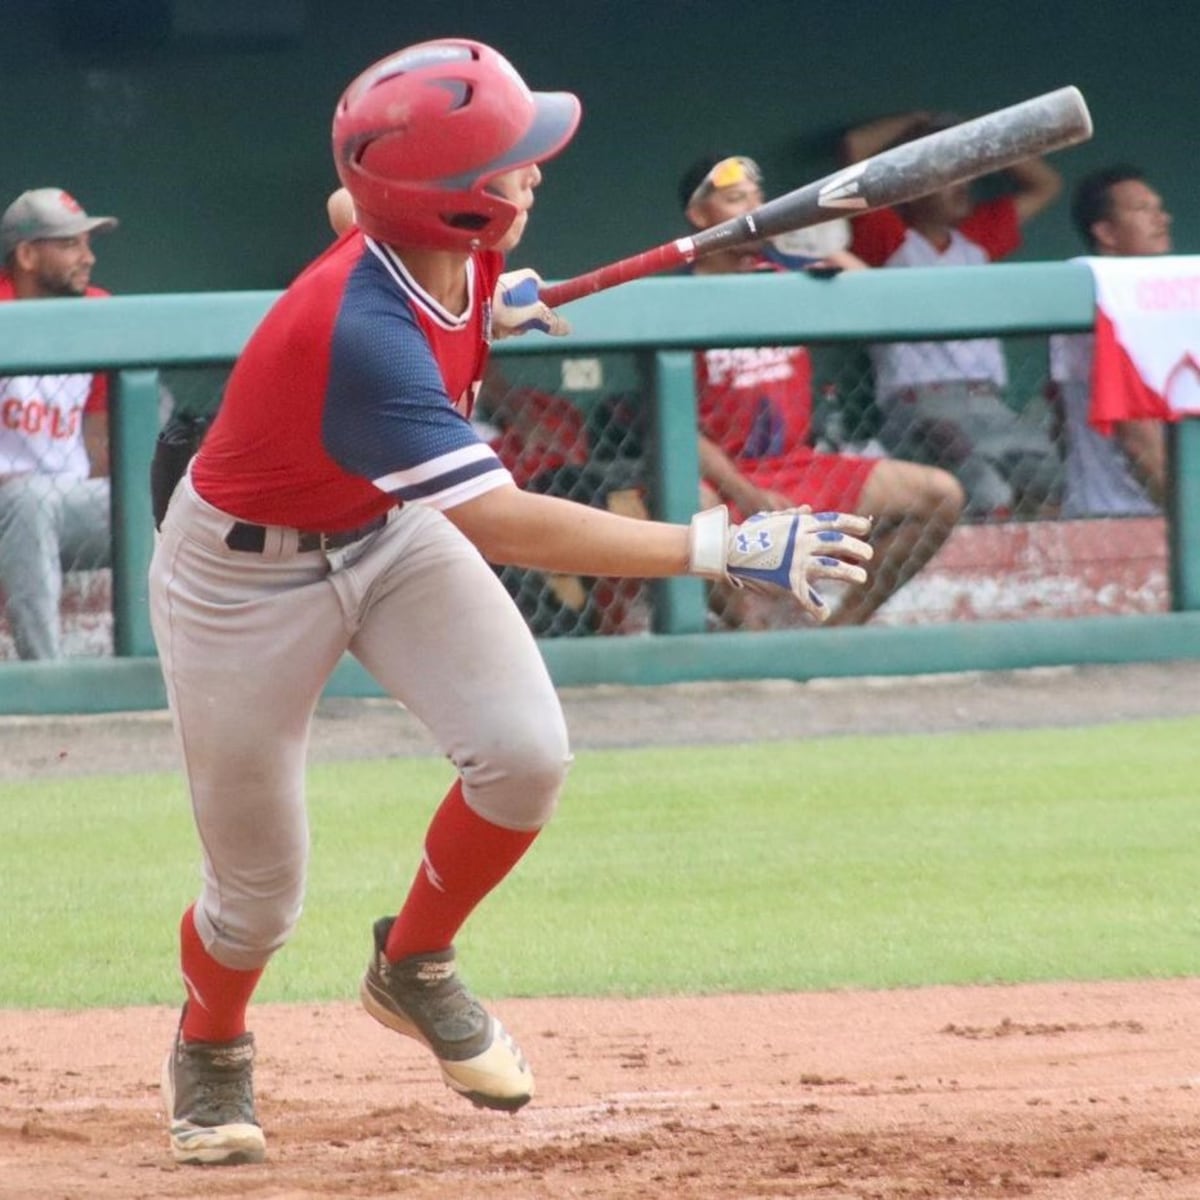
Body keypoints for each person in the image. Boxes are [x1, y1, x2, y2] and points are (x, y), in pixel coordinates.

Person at [150, 39, 874, 1168]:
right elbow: (506, 521)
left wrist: (491, 298)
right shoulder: (362, 334)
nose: (534, 171)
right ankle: (211, 1041)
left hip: (386, 535)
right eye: (507, 164)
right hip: (243, 578)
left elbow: (359, 195)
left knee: (524, 755)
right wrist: (723, 543)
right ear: (450, 208)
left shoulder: (433, 240)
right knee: (256, 896)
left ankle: (414, 963)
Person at [679, 154, 964, 627]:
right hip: (722, 477)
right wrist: (745, 493)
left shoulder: (791, 276)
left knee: (941, 494)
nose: (755, 210)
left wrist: (829, 253)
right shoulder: (677, 298)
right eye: (734, 200)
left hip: (798, 466)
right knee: (688, 504)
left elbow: (886, 308)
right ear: (699, 217)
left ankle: (839, 630)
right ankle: (749, 636)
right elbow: (677, 434)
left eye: (758, 199)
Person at [842, 111, 1064, 518]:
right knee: (986, 493)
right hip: (921, 405)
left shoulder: (976, 237)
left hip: (989, 403)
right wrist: (917, 123)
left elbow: (1046, 183)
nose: (962, 186)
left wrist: (972, 137)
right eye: (947, 176)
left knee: (1050, 481)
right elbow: (854, 152)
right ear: (910, 191)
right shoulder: (889, 238)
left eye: (966, 174)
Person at [0, 187, 117, 659]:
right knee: (27, 501)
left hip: (69, 502)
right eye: (69, 244)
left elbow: (99, 438)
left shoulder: (98, 311)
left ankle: (163, 675)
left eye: (87, 243)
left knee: (169, 503)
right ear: (27, 254)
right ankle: (45, 679)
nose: (87, 257)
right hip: (8, 502)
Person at [1049, 165, 1174, 516]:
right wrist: (1189, 518)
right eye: (1141, 209)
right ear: (1106, 231)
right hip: (1118, 514)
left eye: (1159, 207)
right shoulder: (1098, 291)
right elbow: (1138, 441)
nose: (1161, 218)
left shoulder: (1164, 296)